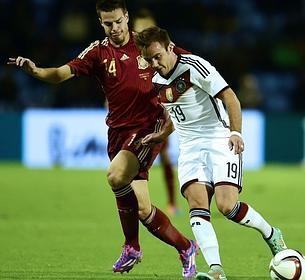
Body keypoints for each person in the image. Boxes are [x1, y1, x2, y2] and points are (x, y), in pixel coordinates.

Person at [7, 1, 197, 278]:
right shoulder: (98, 52)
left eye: (119, 21)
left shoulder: (146, 44)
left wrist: (172, 99)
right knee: (143, 209)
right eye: (108, 23)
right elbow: (61, 73)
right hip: (117, 133)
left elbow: (188, 67)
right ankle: (185, 247)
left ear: (127, 17)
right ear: (101, 23)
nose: (115, 28)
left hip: (147, 130)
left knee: (116, 176)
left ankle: (131, 246)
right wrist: (35, 71)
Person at [134, 26, 288, 280]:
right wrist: (163, 134)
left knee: (226, 206)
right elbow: (177, 110)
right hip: (190, 147)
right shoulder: (155, 80)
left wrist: (236, 133)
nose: (154, 63)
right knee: (197, 205)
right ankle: (216, 270)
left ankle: (272, 234)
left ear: (170, 48)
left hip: (219, 139)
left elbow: (231, 98)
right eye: (149, 59)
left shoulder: (196, 67)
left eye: (158, 56)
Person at [132, 8, 180, 216]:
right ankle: (137, 205)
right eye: (139, 29)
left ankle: (171, 202)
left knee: (165, 157)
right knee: (131, 161)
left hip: (158, 112)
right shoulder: (129, 54)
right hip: (133, 113)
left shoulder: (160, 54)